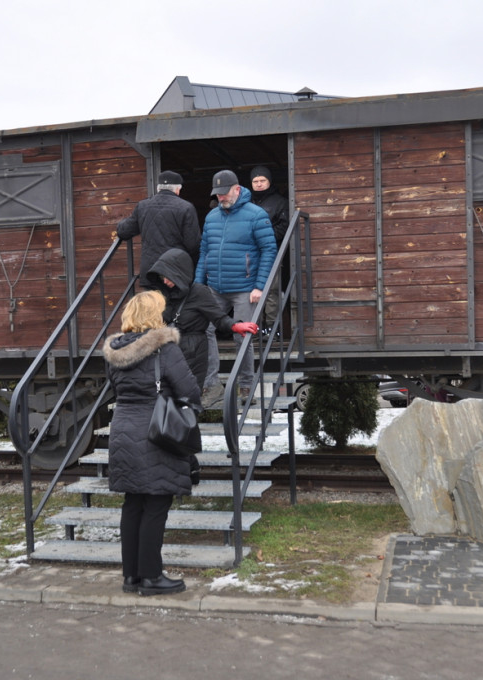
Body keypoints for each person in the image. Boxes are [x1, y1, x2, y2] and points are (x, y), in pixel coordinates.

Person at [102, 290, 201, 595]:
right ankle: (152, 577)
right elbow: (190, 390)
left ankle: (131, 577)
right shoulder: (165, 350)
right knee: (157, 503)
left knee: (133, 503)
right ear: (153, 315)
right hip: (156, 433)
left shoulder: (114, 352)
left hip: (123, 430)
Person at [196, 169, 277, 405]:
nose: (221, 198)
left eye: (225, 193)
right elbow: (204, 252)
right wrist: (197, 286)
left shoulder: (256, 215)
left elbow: (269, 250)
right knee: (204, 330)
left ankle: (245, 386)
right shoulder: (211, 217)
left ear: (237, 189)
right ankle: (211, 385)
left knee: (242, 337)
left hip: (245, 288)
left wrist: (259, 286)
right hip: (215, 288)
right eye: (217, 194)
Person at [147, 248, 258, 390]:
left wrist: (235, 326)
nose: (165, 280)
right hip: (170, 351)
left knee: (185, 396)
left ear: (179, 273)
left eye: (168, 276)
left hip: (193, 352)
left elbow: (218, 317)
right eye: (163, 276)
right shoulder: (163, 294)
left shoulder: (199, 292)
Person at [116, 170, 201, 284]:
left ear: (158, 188)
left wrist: (122, 222)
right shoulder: (186, 207)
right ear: (178, 189)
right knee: (173, 301)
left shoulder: (143, 206)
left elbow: (123, 232)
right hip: (174, 272)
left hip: (150, 271)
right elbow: (193, 245)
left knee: (152, 301)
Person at [249, 165, 289, 330]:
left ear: (269, 181)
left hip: (272, 252)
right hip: (249, 254)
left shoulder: (280, 202)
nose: (259, 184)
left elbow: (284, 226)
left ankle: (272, 327)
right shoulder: (245, 203)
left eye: (262, 180)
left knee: (271, 291)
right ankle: (252, 326)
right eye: (255, 181)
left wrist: (263, 236)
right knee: (249, 292)